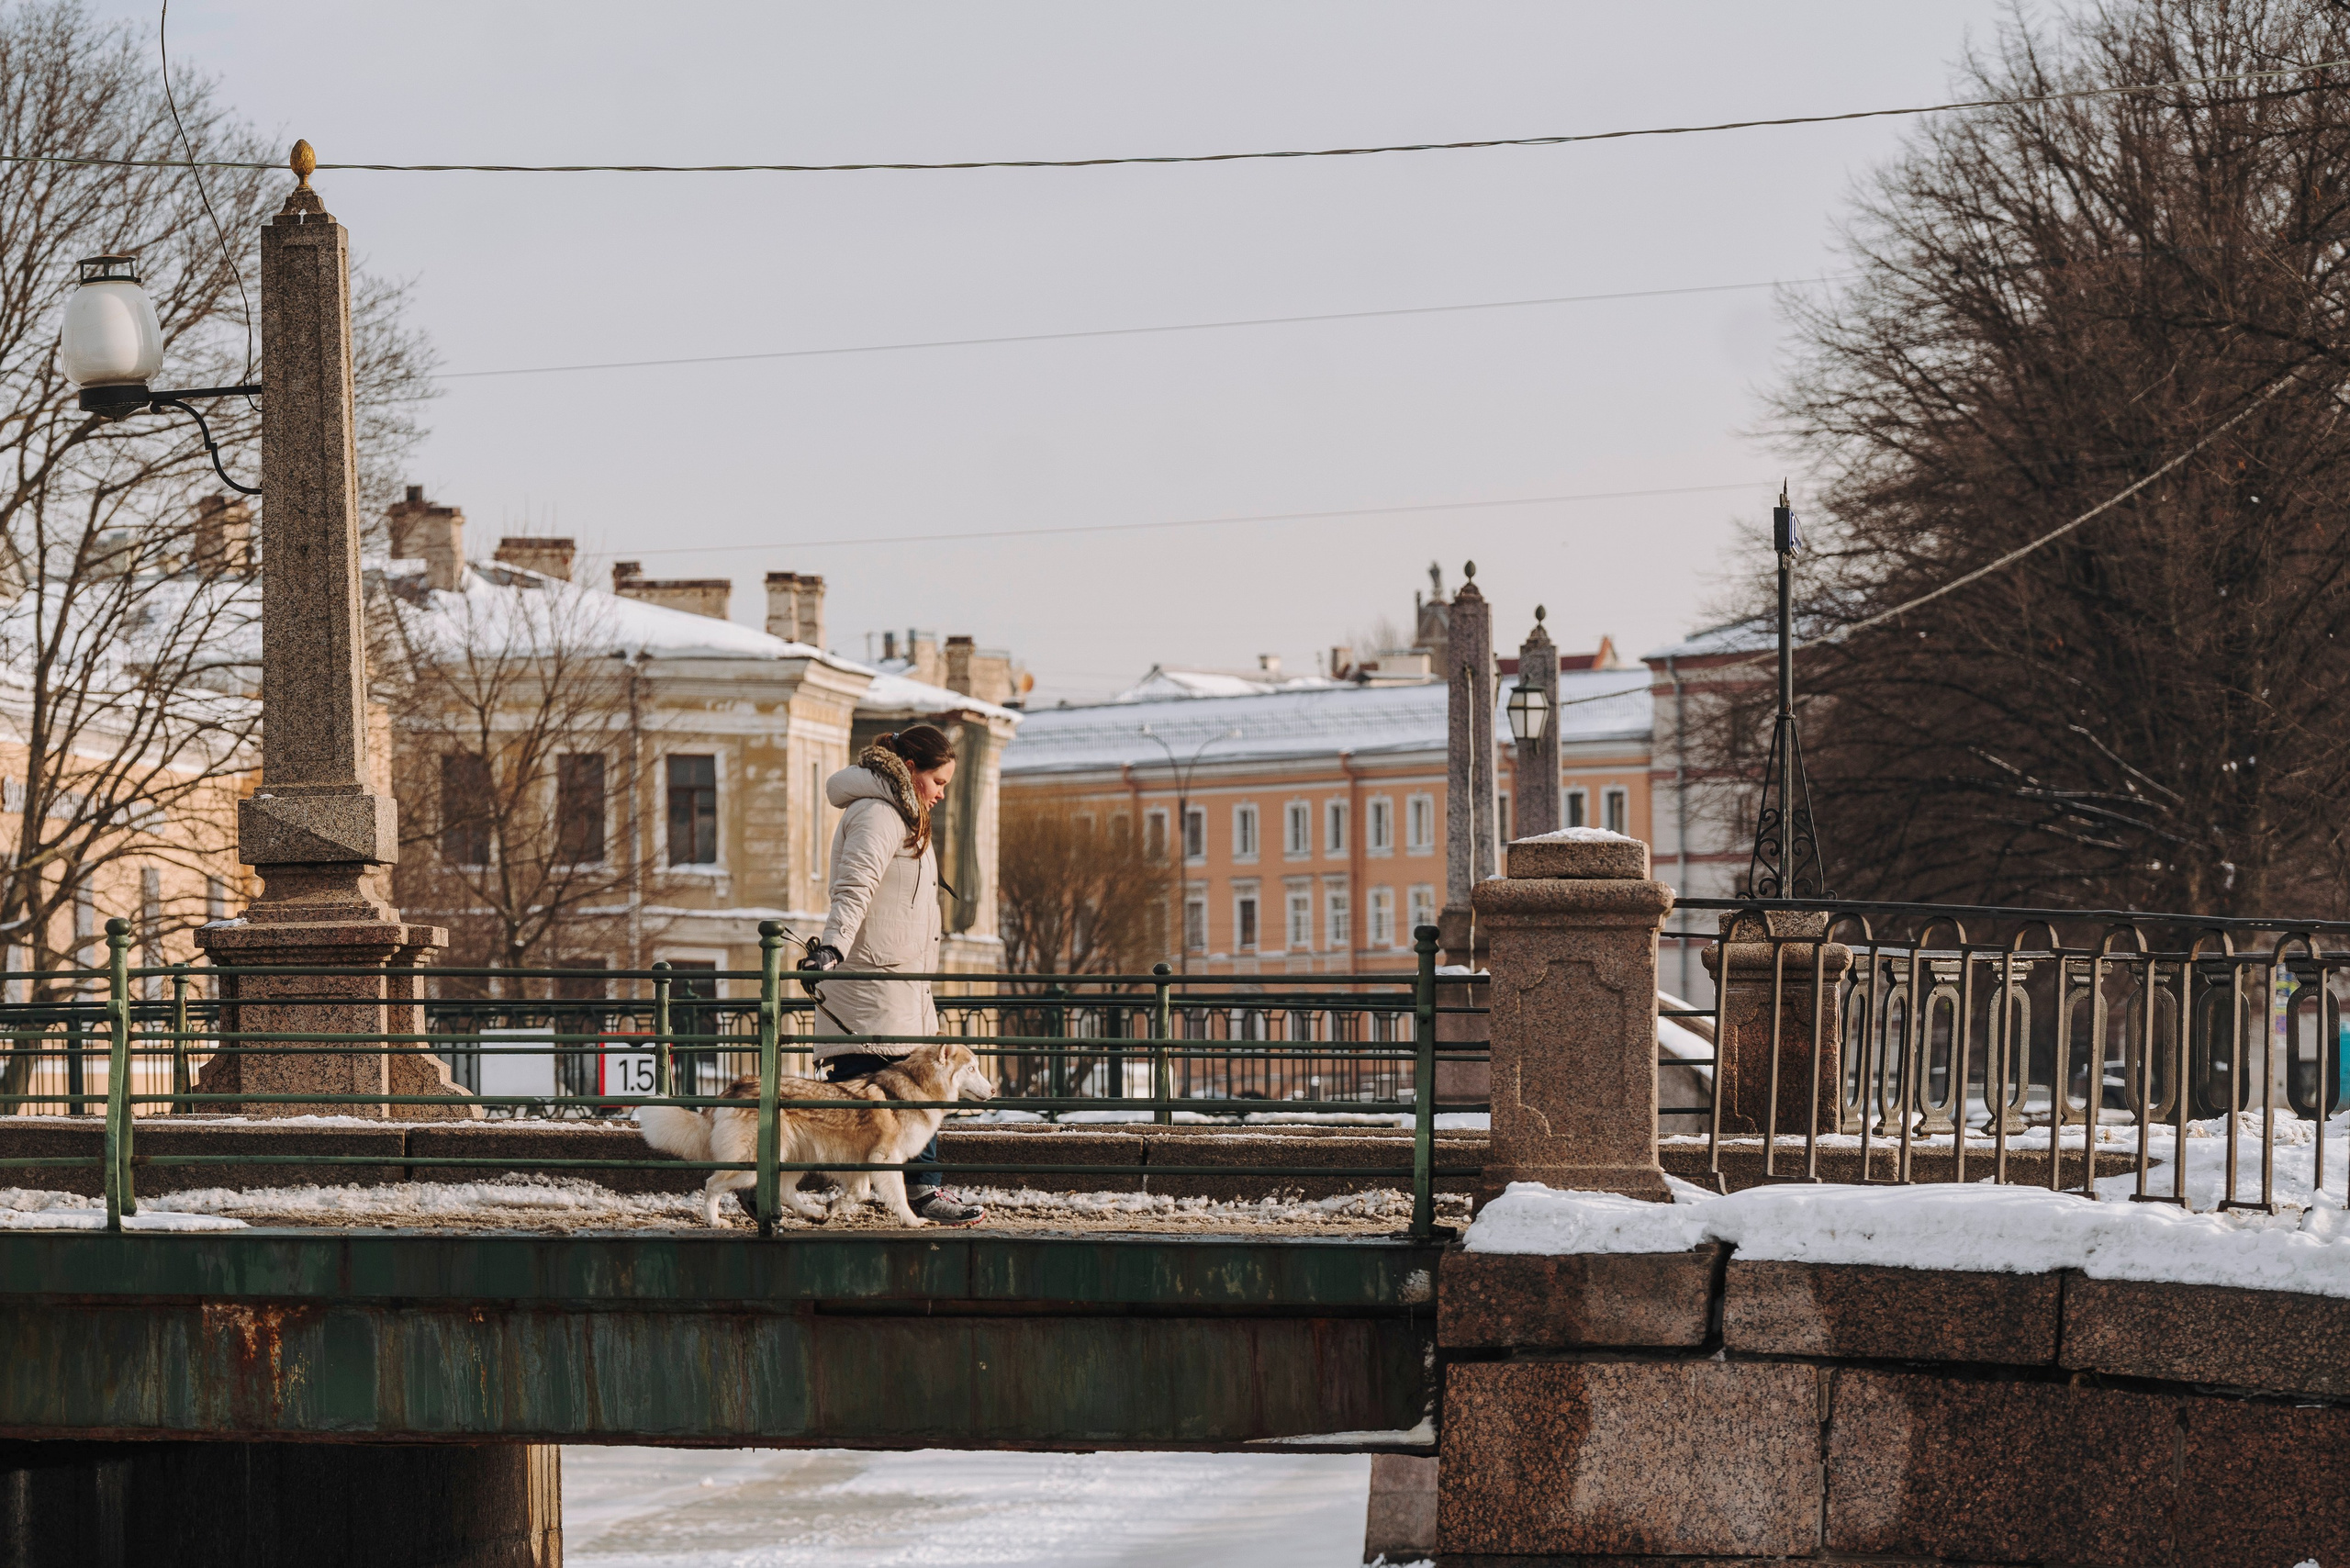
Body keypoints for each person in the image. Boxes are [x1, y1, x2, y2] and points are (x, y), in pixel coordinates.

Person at [800, 724, 986, 1226]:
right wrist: (833, 946)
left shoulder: (903, 814)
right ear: (909, 769)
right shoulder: (879, 813)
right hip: (872, 989)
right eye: (938, 781)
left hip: (899, 989)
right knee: (878, 1105)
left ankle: (913, 1189)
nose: (942, 794)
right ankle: (922, 1191)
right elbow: (854, 885)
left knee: (878, 1106)